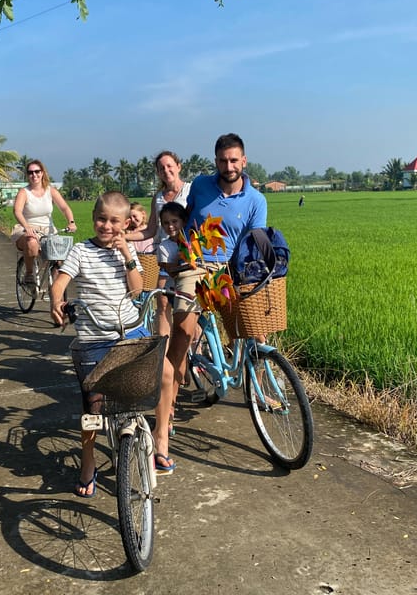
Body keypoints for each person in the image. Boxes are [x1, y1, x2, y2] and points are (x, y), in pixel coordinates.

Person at [153, 133, 267, 473]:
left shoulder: (256, 200)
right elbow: (183, 217)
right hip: (194, 265)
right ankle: (164, 418)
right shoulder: (201, 186)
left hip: (228, 272)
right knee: (182, 337)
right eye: (222, 161)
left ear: (244, 161)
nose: (228, 166)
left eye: (234, 160)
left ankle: (262, 391)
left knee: (254, 331)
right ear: (215, 161)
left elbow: (256, 241)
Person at [50, 192, 161, 496]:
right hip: (94, 337)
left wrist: (127, 255)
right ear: (93, 218)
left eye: (114, 221)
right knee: (92, 407)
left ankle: (141, 437)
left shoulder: (126, 252)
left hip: (129, 333)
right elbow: (60, 281)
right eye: (101, 219)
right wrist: (55, 300)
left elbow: (137, 290)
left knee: (138, 390)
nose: (106, 226)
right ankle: (88, 462)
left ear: (125, 224)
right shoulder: (81, 251)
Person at [124, 151, 191, 338]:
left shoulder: (190, 191)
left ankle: (196, 350)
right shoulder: (158, 198)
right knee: (162, 303)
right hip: (164, 254)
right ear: (158, 173)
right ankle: (164, 349)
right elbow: (151, 230)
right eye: (161, 168)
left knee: (189, 306)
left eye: (169, 165)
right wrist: (125, 237)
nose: (166, 170)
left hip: (187, 254)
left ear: (179, 166)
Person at [11, 159, 77, 287]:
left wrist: (71, 222)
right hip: (27, 228)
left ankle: (57, 295)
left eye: (37, 171)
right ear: (27, 175)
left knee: (60, 257)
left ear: (42, 173)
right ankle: (29, 274)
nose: (34, 175)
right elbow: (17, 211)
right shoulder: (24, 192)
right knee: (32, 242)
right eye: (30, 172)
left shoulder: (50, 190)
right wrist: (27, 227)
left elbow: (65, 208)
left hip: (48, 230)